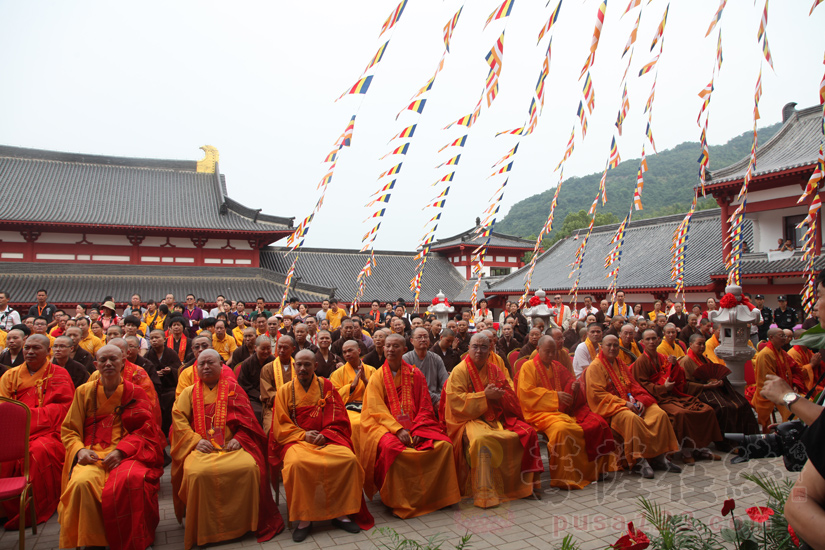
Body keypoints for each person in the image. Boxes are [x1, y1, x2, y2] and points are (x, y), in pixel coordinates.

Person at [170, 350, 282, 548]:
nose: (205, 367)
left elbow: (248, 421)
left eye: (210, 363)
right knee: (197, 473)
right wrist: (195, 440)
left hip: (231, 447)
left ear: (221, 366)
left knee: (249, 468)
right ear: (196, 368)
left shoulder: (233, 389)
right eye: (201, 364)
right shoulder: (189, 392)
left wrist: (240, 438)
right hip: (201, 448)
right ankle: (204, 530)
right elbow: (179, 421)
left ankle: (246, 524)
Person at [58, 344, 165, 550]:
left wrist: (121, 451)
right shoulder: (83, 392)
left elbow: (146, 429)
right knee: (82, 482)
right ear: (96, 364)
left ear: (123, 363)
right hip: (92, 453)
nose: (108, 364)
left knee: (132, 480)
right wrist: (80, 450)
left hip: (128, 454)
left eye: (113, 360)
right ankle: (92, 541)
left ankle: (135, 539)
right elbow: (70, 429)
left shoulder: (136, 392)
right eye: (103, 360)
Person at [269, 349, 374, 542]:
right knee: (297, 465)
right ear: (294, 366)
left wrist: (326, 435)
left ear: (315, 366)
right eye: (299, 364)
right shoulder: (284, 391)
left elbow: (340, 417)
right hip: (297, 441)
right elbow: (280, 425)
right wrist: (303, 435)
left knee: (348, 459)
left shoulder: (326, 386)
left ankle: (341, 514)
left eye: (307, 364)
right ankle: (304, 519)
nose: (302, 368)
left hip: (328, 438)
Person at [360, 333, 461, 517]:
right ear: (383, 349)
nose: (390, 349)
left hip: (417, 425)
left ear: (404, 350)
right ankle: (398, 500)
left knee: (445, 445)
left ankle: (440, 497)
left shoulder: (416, 374)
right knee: (392, 450)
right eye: (387, 346)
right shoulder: (377, 377)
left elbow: (425, 406)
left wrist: (416, 428)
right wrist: (397, 429)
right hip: (386, 427)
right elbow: (376, 409)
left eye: (395, 346)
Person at [445, 333, 543, 508]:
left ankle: (523, 487)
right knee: (482, 441)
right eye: (475, 346)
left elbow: (509, 393)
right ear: (468, 348)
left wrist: (500, 397)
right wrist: (485, 396)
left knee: (528, 432)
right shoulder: (460, 371)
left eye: (484, 347)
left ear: (490, 349)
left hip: (496, 416)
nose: (479, 351)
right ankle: (485, 493)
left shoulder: (495, 369)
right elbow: (456, 402)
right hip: (468, 419)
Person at [518, 335, 617, 489]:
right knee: (563, 430)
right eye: (547, 352)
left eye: (553, 352)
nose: (551, 355)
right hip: (537, 413)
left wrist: (574, 387)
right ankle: (564, 476)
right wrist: (555, 397)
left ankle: (589, 471)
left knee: (595, 424)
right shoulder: (528, 367)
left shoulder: (556, 366)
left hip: (560, 412)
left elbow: (570, 380)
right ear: (538, 350)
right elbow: (526, 393)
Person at [0, 334, 74, 528]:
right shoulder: (10, 375)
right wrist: (22, 419)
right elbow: (3, 407)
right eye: (27, 348)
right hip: (13, 432)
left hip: (49, 432)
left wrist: (28, 416)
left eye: (36, 348)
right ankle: (4, 510)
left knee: (37, 453)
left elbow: (65, 408)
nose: (30, 352)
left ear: (48, 352)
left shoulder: (59, 374)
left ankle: (31, 508)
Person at [585, 335, 680, 478]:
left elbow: (634, 385)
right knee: (632, 419)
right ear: (602, 347)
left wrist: (640, 399)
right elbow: (597, 394)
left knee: (658, 413)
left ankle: (660, 457)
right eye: (609, 345)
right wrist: (624, 403)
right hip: (613, 408)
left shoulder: (621, 364)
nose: (612, 348)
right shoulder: (595, 367)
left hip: (632, 402)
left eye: (615, 345)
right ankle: (638, 461)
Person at [632, 330, 722, 463]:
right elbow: (642, 385)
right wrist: (663, 388)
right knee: (681, 414)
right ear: (642, 342)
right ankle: (686, 451)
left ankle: (700, 448)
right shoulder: (641, 361)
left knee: (706, 409)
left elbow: (678, 377)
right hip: (657, 398)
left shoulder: (663, 357)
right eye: (648, 339)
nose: (651, 342)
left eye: (653, 339)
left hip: (672, 395)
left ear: (658, 340)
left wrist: (674, 365)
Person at [679, 334, 759, 438]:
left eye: (703, 344)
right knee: (724, 407)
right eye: (699, 344)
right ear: (690, 344)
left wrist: (721, 381)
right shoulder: (686, 361)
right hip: (700, 392)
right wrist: (705, 386)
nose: (702, 347)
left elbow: (717, 373)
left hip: (714, 390)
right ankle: (728, 441)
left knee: (742, 403)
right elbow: (685, 385)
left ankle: (749, 437)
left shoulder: (705, 359)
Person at [753, 327, 807, 432]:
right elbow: (766, 378)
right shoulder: (765, 354)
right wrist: (785, 388)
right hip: (769, 390)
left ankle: (797, 430)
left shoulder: (782, 352)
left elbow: (795, 369)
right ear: (771, 337)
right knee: (792, 407)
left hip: (784, 388)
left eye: (785, 336)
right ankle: (788, 430)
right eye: (781, 336)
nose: (784, 338)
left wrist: (795, 384)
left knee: (804, 400)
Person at [330, 339, 376, 456]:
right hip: (349, 409)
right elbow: (334, 396)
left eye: (350, 350)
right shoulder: (338, 373)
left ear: (359, 350)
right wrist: (351, 386)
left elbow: (378, 393)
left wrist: (365, 381)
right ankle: (356, 456)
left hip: (369, 407)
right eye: (344, 352)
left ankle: (370, 457)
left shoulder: (372, 370)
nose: (347, 354)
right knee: (355, 424)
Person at [403, 327, 449, 408]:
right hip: (416, 399)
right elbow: (412, 387)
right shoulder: (406, 359)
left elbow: (445, 382)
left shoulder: (436, 358)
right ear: (411, 341)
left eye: (426, 337)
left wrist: (441, 399)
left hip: (438, 399)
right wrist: (435, 399)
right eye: (419, 337)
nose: (423, 339)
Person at [237, 335, 275, 424]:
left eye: (268, 348)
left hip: (271, 397)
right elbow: (243, 385)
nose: (266, 351)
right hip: (254, 398)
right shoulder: (247, 363)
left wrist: (270, 395)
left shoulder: (274, 361)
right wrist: (259, 396)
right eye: (263, 349)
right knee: (256, 413)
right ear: (255, 348)